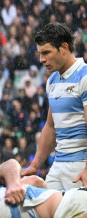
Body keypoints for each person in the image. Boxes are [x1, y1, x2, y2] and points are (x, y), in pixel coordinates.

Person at [21, 22, 87, 190]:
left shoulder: (84, 76)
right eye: (40, 54)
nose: (42, 59)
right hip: (58, 165)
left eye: (46, 53)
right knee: (46, 213)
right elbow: (50, 127)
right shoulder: (52, 80)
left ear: (64, 47)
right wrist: (35, 165)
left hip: (81, 165)